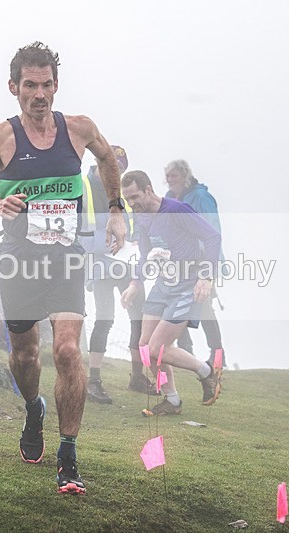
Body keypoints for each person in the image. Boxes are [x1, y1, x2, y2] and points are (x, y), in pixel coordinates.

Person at [0, 42, 127, 494]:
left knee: (68, 351)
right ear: (14, 88)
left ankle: (68, 454)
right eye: (29, 85)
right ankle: (33, 407)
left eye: (46, 84)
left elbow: (108, 158)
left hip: (66, 258)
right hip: (18, 261)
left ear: (56, 85)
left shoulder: (79, 129)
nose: (39, 94)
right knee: (26, 355)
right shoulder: (0, 137)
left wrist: (116, 208)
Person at [120, 170, 222, 416]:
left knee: (158, 348)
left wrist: (206, 277)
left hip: (187, 286)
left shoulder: (177, 209)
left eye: (135, 197)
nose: (132, 204)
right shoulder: (141, 216)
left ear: (148, 189)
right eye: (127, 200)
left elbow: (212, 236)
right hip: (162, 285)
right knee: (145, 346)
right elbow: (145, 254)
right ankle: (172, 400)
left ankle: (207, 371)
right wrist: (136, 283)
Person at [81, 145, 154, 403]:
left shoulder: (124, 191)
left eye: (120, 169)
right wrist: (110, 244)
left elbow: (133, 226)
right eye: (110, 167)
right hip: (100, 264)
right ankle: (93, 381)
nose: (114, 173)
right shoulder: (84, 187)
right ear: (98, 162)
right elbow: (81, 232)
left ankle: (137, 376)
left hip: (128, 263)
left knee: (139, 318)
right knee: (105, 318)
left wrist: (134, 245)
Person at [164, 159, 227, 368]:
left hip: (201, 259)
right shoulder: (169, 197)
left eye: (175, 175)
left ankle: (218, 355)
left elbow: (212, 229)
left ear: (185, 176)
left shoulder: (201, 197)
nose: (170, 179)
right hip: (177, 259)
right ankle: (184, 351)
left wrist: (210, 265)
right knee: (176, 302)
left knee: (204, 305)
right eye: (168, 176)